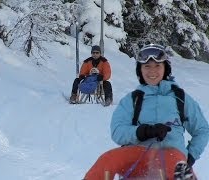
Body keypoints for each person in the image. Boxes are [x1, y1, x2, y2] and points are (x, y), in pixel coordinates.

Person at [83, 44, 209, 180]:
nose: (152, 71)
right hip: (138, 154)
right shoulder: (132, 100)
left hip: (171, 155)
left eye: (157, 66)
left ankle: (182, 174)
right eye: (147, 66)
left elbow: (202, 130)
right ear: (140, 70)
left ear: (165, 68)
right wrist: (142, 132)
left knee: (177, 161)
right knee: (108, 159)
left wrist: (189, 157)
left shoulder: (180, 98)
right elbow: (117, 131)